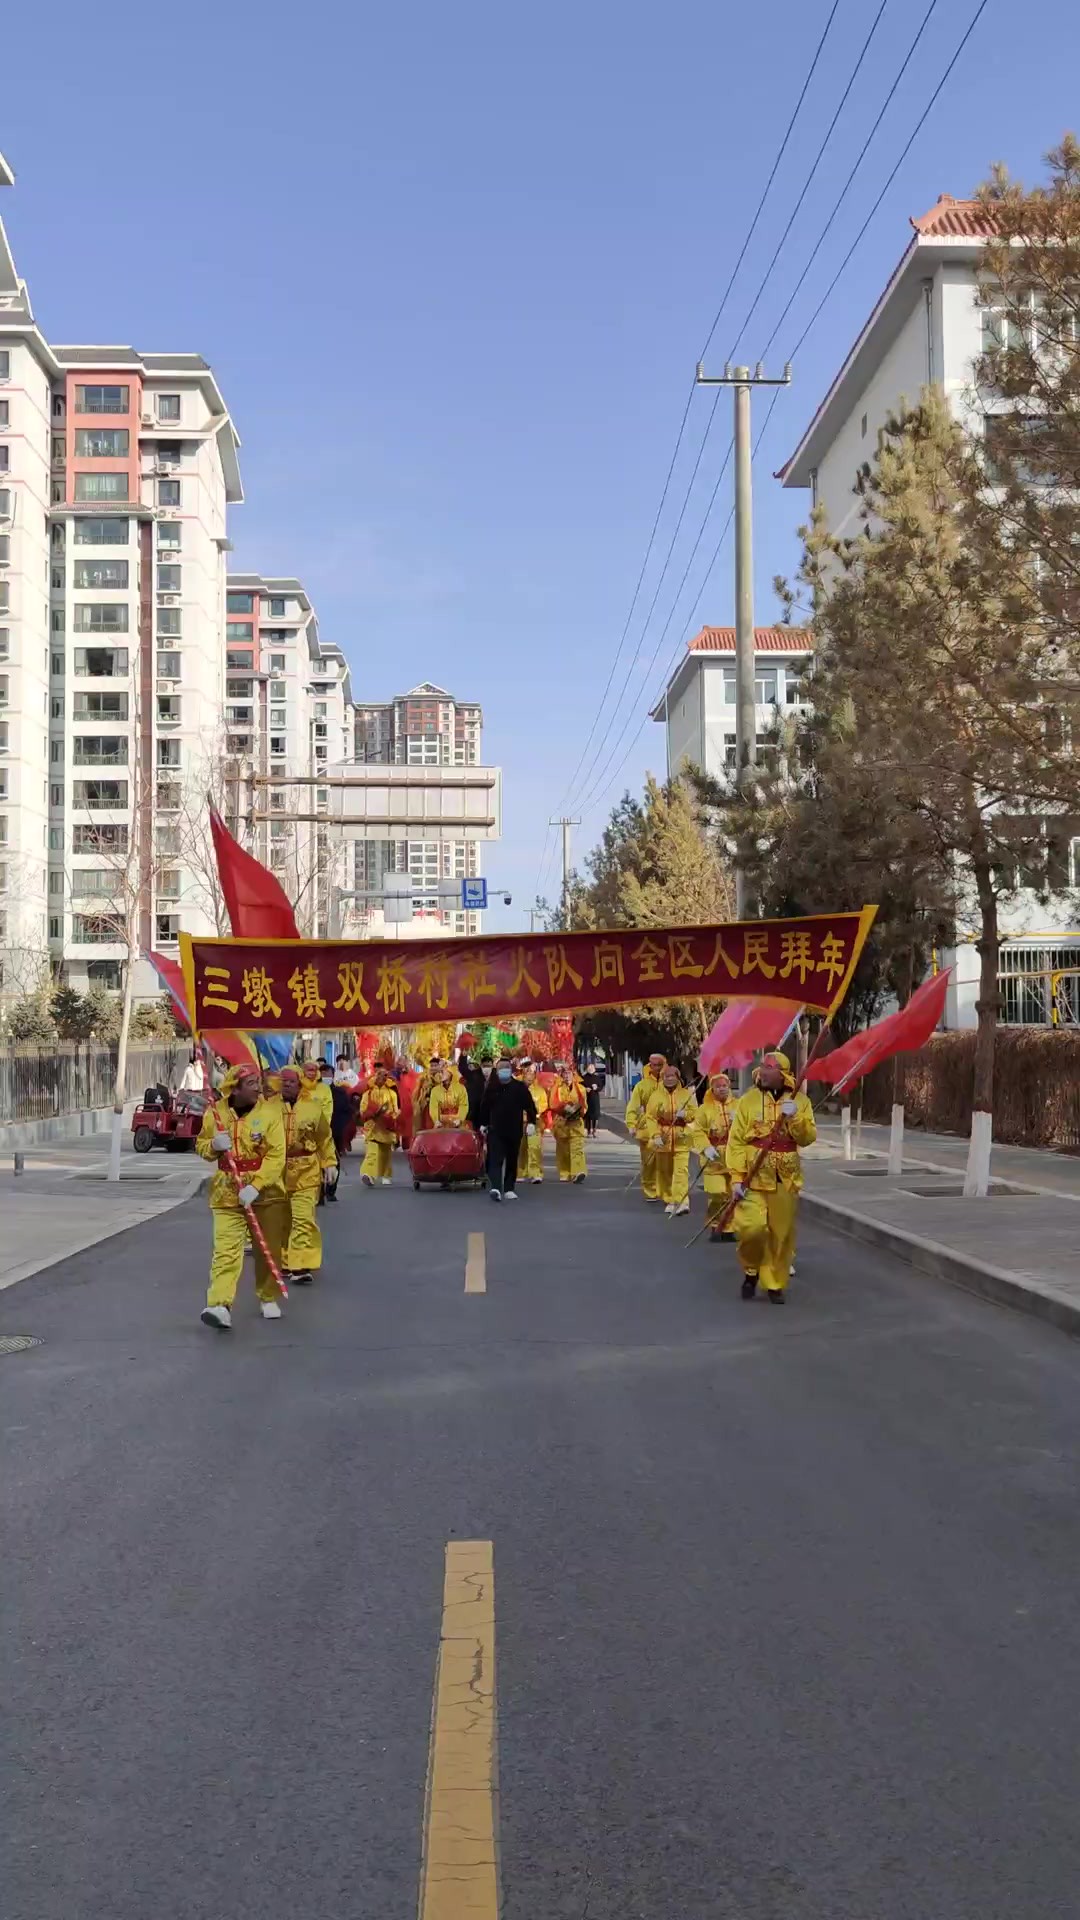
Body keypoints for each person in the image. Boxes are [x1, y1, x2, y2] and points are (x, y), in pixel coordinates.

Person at [196, 1064, 289, 1331]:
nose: (258, 1087)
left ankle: (267, 1295)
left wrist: (257, 1185)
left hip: (266, 1192)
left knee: (267, 1248)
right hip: (226, 1191)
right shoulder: (216, 1114)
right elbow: (201, 1145)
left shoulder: (270, 1113)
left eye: (258, 1082)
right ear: (234, 1088)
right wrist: (213, 1145)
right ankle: (219, 1304)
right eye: (251, 1084)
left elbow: (276, 1155)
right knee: (225, 1251)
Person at [726, 1048, 816, 1304]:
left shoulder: (801, 1101)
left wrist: (795, 1116)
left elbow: (807, 1138)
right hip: (753, 1177)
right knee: (751, 1229)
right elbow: (735, 1142)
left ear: (783, 1074)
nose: (764, 1072)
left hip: (785, 1178)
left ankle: (774, 1282)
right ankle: (751, 1270)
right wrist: (735, 1177)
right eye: (763, 1067)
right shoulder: (748, 1100)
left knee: (780, 1234)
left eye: (770, 1068)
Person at [278, 1066, 337, 1282]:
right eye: (283, 1081)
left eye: (291, 1082)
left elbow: (324, 1137)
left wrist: (329, 1162)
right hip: (276, 1172)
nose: (287, 1085)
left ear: (299, 1083)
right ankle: (284, 1261)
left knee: (303, 1219)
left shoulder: (312, 1108)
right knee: (282, 1220)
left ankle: (300, 1266)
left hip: (306, 1170)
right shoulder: (266, 1109)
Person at [643, 1063, 698, 1217]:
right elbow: (651, 1117)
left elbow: (695, 1113)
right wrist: (655, 1135)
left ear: (678, 1078)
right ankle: (669, 1199)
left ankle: (680, 1201)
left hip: (681, 1138)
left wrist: (685, 1115)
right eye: (666, 1076)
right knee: (664, 1172)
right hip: (663, 1138)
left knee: (681, 1171)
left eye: (672, 1076)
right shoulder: (656, 1096)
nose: (669, 1079)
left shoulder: (686, 1095)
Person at [478, 1057, 536, 1201]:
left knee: (511, 1159)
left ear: (510, 1071)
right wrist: (483, 1124)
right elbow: (484, 1107)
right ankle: (496, 1188)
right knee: (495, 1160)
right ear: (497, 1072)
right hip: (495, 1130)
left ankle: (509, 1188)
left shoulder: (519, 1087)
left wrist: (531, 1122)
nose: (503, 1071)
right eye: (500, 1069)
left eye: (506, 1068)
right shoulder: (491, 1088)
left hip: (514, 1130)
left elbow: (530, 1106)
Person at [693, 1070, 738, 1239]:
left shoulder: (739, 1106)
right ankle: (714, 1223)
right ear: (712, 1089)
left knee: (733, 1196)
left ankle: (729, 1228)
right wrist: (705, 1147)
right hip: (714, 1160)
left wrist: (738, 1122)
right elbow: (697, 1132)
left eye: (725, 1086)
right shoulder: (704, 1109)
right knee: (717, 1193)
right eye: (718, 1086)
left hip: (734, 1158)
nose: (723, 1089)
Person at [625, 1054, 667, 1202]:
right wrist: (631, 1124)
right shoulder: (642, 1086)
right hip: (647, 1129)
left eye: (660, 1065)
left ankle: (665, 1190)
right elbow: (633, 1106)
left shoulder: (671, 1082)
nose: (657, 1068)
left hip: (666, 1129)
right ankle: (650, 1189)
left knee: (666, 1162)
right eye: (654, 1065)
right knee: (649, 1161)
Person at [359, 1065, 400, 1187]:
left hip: (387, 1126)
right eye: (380, 1075)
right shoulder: (368, 1093)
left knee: (386, 1153)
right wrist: (371, 1113)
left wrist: (391, 1118)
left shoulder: (392, 1093)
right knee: (372, 1152)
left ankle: (386, 1175)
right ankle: (368, 1174)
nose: (383, 1078)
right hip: (372, 1126)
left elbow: (396, 1110)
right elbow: (362, 1109)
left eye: (385, 1076)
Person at [549, 1061, 588, 1184]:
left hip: (576, 1123)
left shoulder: (581, 1089)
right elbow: (552, 1103)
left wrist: (578, 1111)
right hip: (561, 1123)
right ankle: (565, 1172)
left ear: (573, 1074)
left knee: (577, 1148)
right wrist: (564, 1109)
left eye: (569, 1073)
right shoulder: (557, 1088)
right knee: (563, 1149)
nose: (567, 1076)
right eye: (564, 1073)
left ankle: (578, 1172)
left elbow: (584, 1105)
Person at [517, 1063, 548, 1183]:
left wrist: (535, 1112)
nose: (529, 1078)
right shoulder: (517, 1089)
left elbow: (544, 1104)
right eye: (527, 1074)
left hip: (534, 1123)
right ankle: (519, 1172)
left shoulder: (539, 1090)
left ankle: (535, 1173)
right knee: (520, 1149)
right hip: (519, 1123)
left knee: (534, 1148)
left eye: (531, 1075)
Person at [429, 1063, 470, 1129]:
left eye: (442, 1071)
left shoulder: (461, 1089)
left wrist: (460, 1119)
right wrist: (436, 1120)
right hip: (441, 1125)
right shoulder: (435, 1090)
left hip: (458, 1124)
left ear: (451, 1073)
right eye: (439, 1072)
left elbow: (464, 1105)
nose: (440, 1074)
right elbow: (433, 1107)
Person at [302, 1060, 334, 1127]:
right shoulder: (298, 1086)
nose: (311, 1073)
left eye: (313, 1070)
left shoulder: (324, 1088)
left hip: (318, 1127)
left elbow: (327, 1110)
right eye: (308, 1070)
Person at [581, 1060, 602, 1137]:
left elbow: (601, 1086)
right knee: (588, 1116)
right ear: (587, 1068)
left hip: (595, 1098)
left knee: (595, 1115)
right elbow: (580, 1087)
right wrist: (585, 1089)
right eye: (589, 1067)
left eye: (592, 1067)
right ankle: (589, 1131)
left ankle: (594, 1130)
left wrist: (597, 1088)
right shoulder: (583, 1078)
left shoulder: (597, 1078)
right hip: (587, 1098)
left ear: (594, 1069)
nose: (591, 1068)